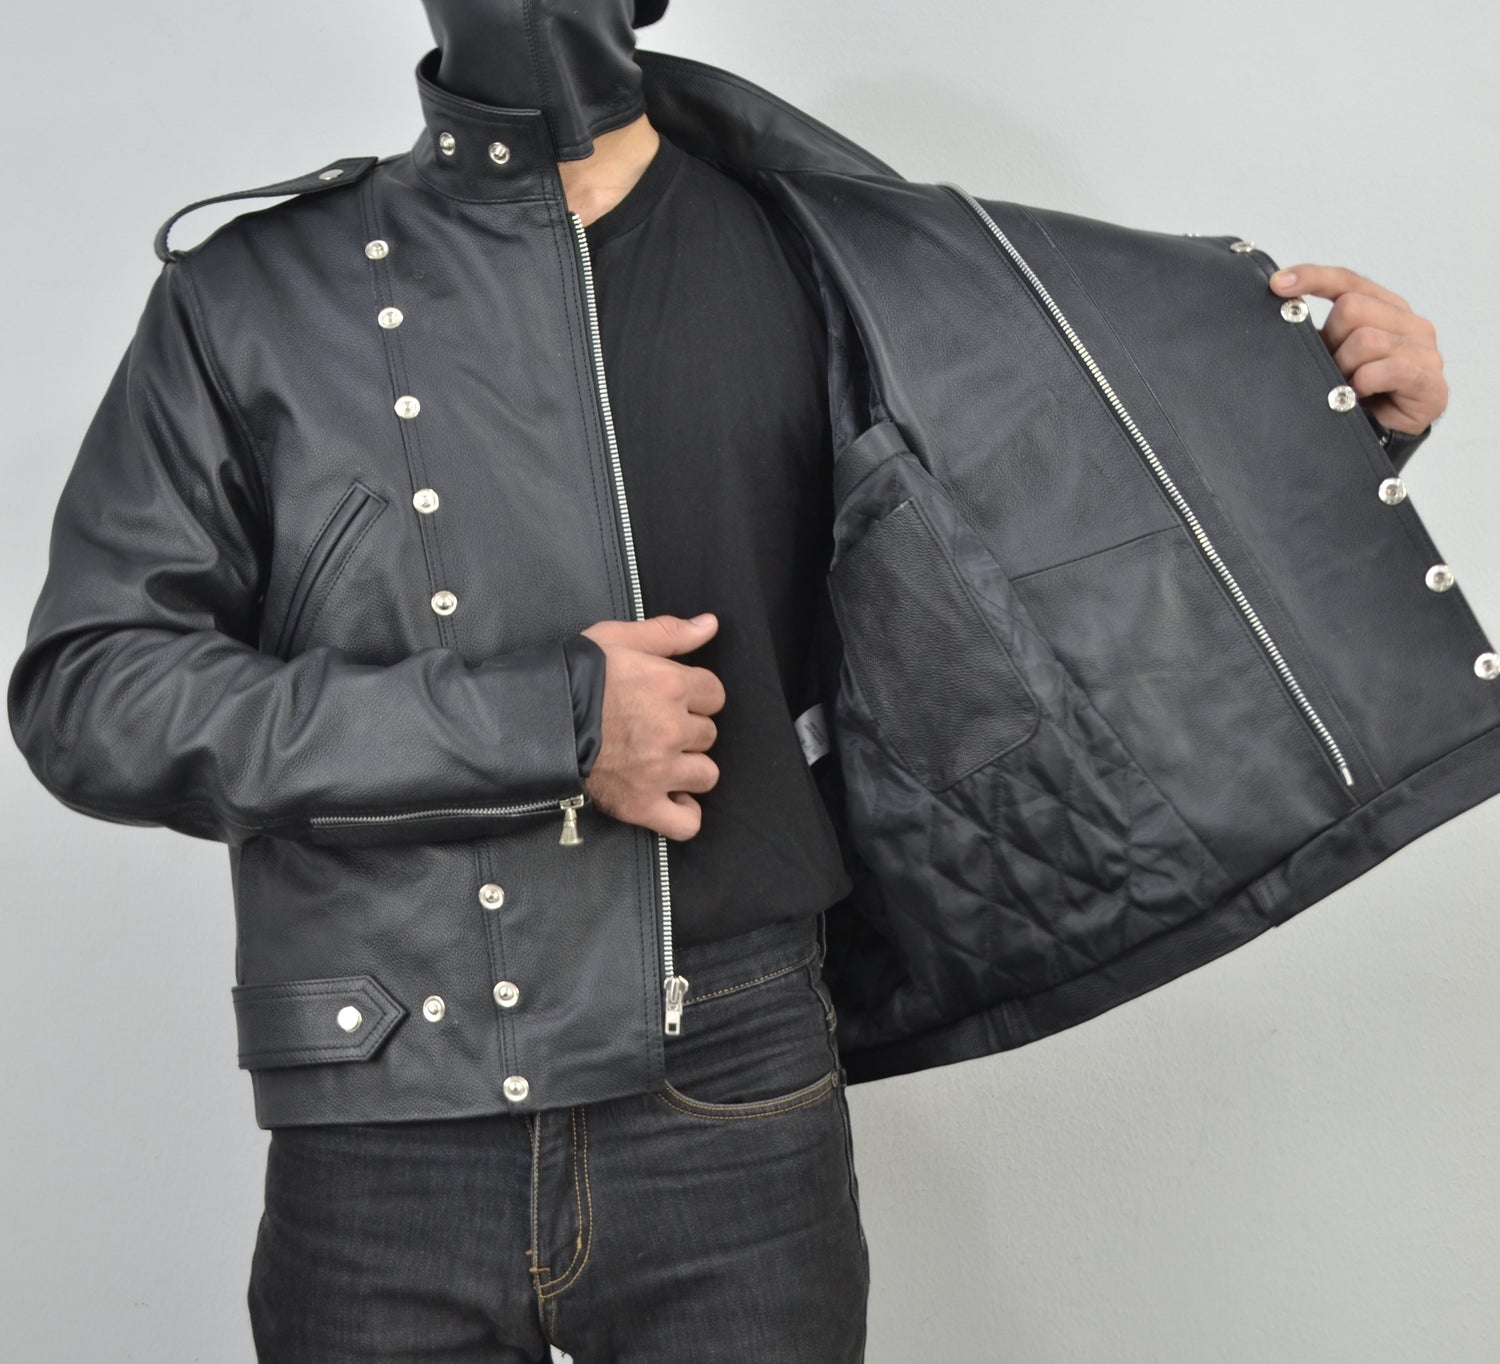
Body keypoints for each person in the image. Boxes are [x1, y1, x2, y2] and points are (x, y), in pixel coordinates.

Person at [7, 1, 1467, 1360]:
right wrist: (551, 721)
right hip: (387, 1101)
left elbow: (1044, 538)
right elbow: (93, 694)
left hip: (734, 1078)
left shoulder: (817, 250)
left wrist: (1329, 418)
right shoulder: (254, 296)